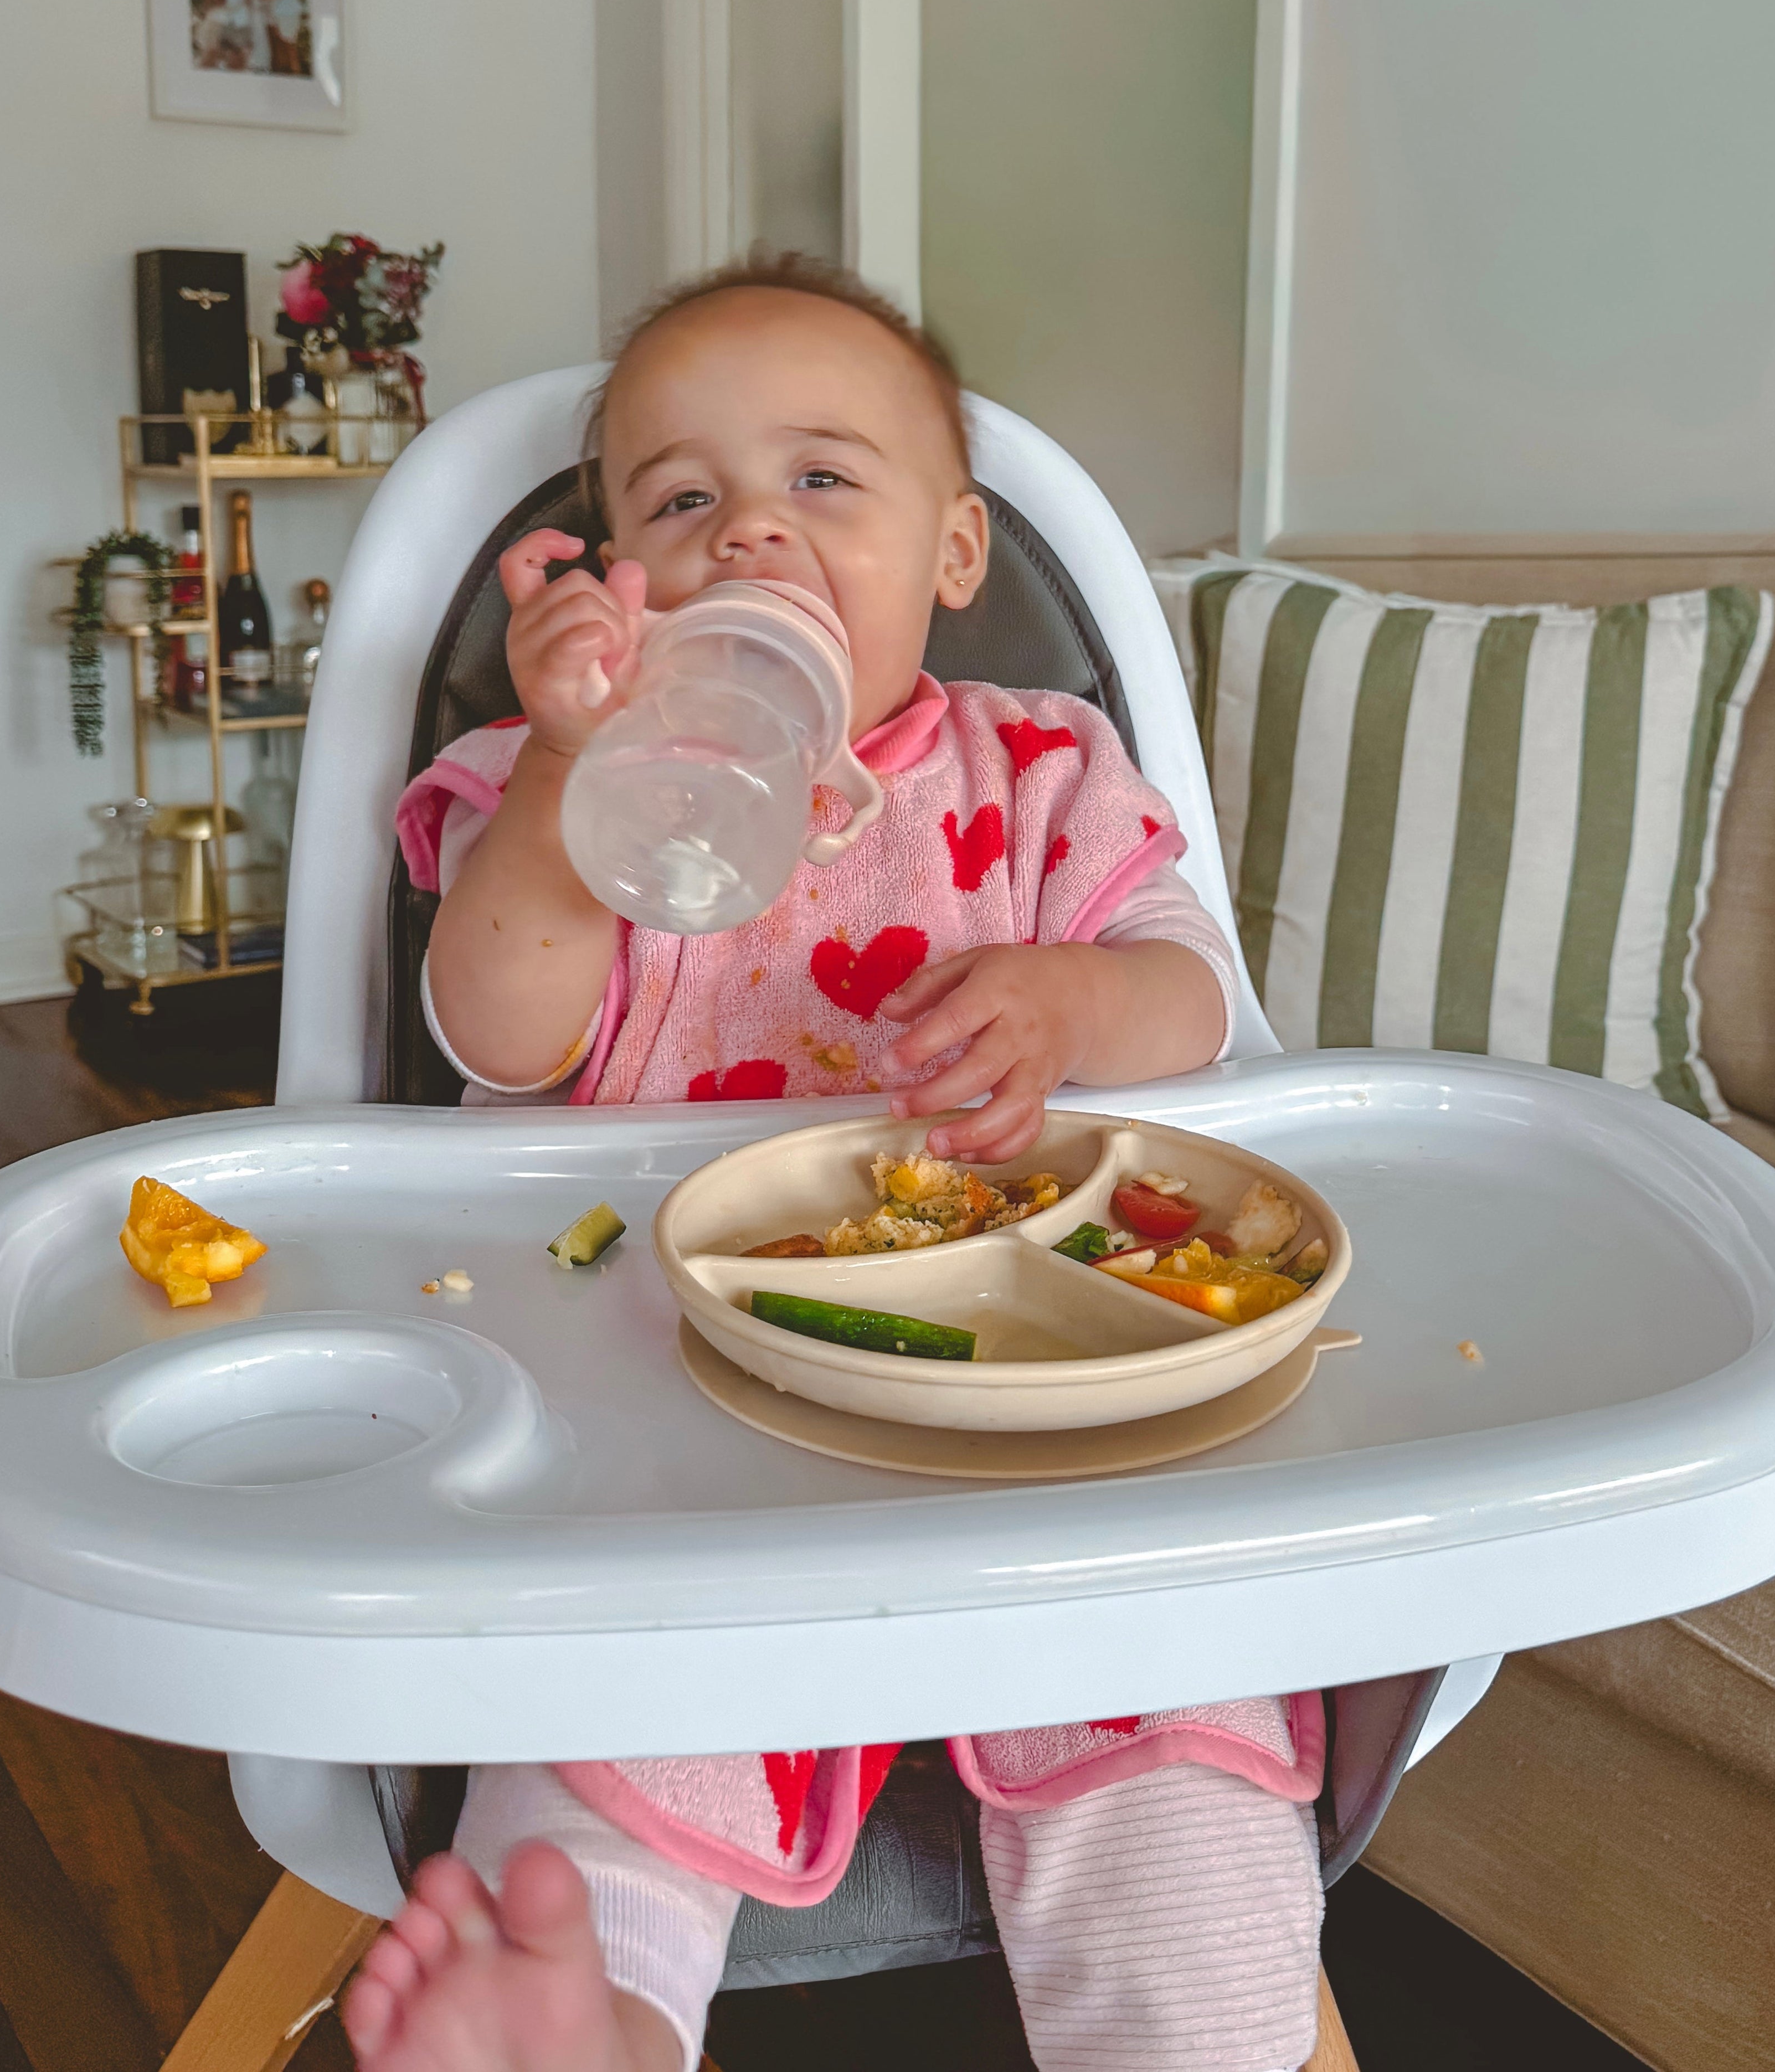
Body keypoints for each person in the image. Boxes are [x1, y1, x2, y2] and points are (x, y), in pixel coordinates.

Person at [351, 258, 1326, 2072]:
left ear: (954, 554)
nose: (749, 541)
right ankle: (586, 2019)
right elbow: (494, 1028)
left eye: (819, 482)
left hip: (1036, 1393)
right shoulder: (560, 781)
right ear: (610, 574)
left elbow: (1193, 1004)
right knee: (618, 1699)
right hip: (672, 1398)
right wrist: (571, 783)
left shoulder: (1037, 768)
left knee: (1169, 1735)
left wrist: (1065, 1000)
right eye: (679, 501)